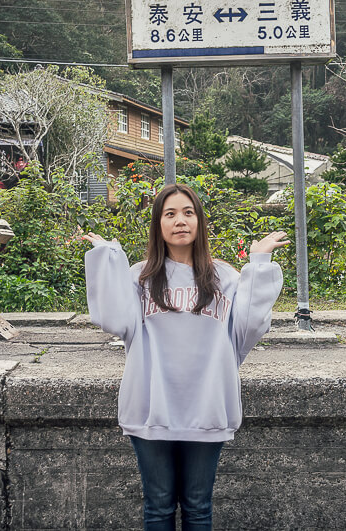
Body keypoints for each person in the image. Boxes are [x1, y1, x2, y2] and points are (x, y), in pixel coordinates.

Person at [81, 183, 288, 531]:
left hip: (206, 406)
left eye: (188, 213)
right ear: (158, 224)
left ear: (200, 222)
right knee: (158, 506)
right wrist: (108, 259)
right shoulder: (140, 276)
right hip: (151, 406)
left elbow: (249, 326)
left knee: (198, 506)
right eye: (170, 213)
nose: (180, 221)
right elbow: (114, 320)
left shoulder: (224, 277)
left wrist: (259, 263)